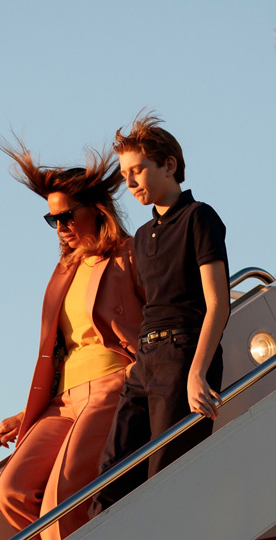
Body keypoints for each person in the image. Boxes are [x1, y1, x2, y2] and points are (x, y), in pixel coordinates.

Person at [0, 138, 144, 540]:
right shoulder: (63, 272)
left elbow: (160, 317)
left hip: (112, 383)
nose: (60, 228)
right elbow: (62, 354)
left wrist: (139, 373)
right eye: (51, 220)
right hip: (63, 400)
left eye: (66, 216)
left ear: (96, 208)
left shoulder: (129, 254)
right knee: (12, 493)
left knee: (61, 501)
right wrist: (29, 414)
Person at [90, 113, 230, 515]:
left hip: (182, 353)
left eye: (138, 170)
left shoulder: (199, 217)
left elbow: (218, 303)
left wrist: (197, 372)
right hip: (145, 362)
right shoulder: (141, 237)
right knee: (109, 485)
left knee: (168, 478)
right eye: (125, 174)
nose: (130, 182)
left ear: (168, 165)